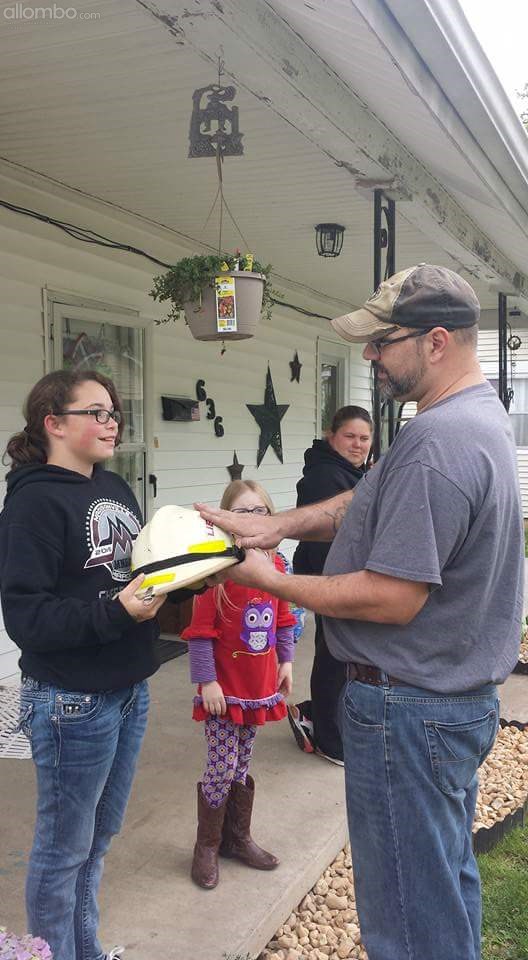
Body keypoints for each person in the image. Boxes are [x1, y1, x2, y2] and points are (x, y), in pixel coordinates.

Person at [196, 264, 524, 960]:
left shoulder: (439, 443)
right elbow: (369, 504)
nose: (370, 355)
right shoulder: (466, 417)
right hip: (444, 701)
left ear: (437, 342)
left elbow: (392, 596)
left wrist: (269, 579)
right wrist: (278, 525)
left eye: (383, 340)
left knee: (406, 918)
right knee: (441, 886)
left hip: (408, 709)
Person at [0, 370, 166, 960]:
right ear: (54, 424)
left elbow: (138, 573)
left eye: (113, 411)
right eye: (95, 411)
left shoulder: (115, 486)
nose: (111, 421)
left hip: (129, 688)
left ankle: (85, 950)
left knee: (96, 843)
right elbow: (28, 619)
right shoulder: (34, 503)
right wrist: (117, 613)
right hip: (73, 699)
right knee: (62, 849)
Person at [181, 479, 296, 890]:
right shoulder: (216, 571)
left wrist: (286, 662)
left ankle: (237, 838)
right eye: (242, 511)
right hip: (223, 691)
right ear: (227, 518)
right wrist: (206, 681)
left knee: (242, 763)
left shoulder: (277, 567)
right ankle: (207, 845)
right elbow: (199, 633)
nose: (252, 519)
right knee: (220, 765)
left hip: (258, 687)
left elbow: (284, 620)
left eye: (259, 511)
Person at [290, 405, 373, 764]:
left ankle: (319, 717)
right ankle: (329, 738)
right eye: (350, 436)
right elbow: (329, 537)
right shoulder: (324, 477)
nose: (358, 445)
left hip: (349, 579)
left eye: (365, 438)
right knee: (335, 658)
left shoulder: (355, 473)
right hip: (330, 578)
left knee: (339, 655)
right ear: (332, 437)